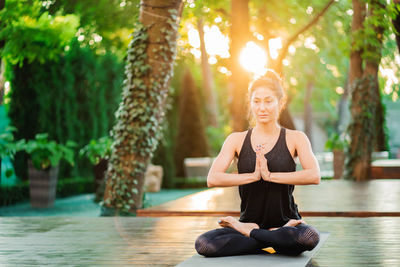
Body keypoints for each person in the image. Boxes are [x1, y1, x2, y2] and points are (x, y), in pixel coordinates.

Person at [194, 69, 321, 257]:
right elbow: (213, 178)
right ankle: (271, 237)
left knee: (309, 237)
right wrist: (253, 176)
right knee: (204, 244)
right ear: (251, 103)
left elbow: (314, 175)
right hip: (249, 221)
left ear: (280, 102)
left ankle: (256, 236)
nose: (262, 108)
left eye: (269, 101)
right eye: (257, 101)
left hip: (287, 224)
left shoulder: (295, 138)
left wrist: (270, 176)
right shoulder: (236, 140)